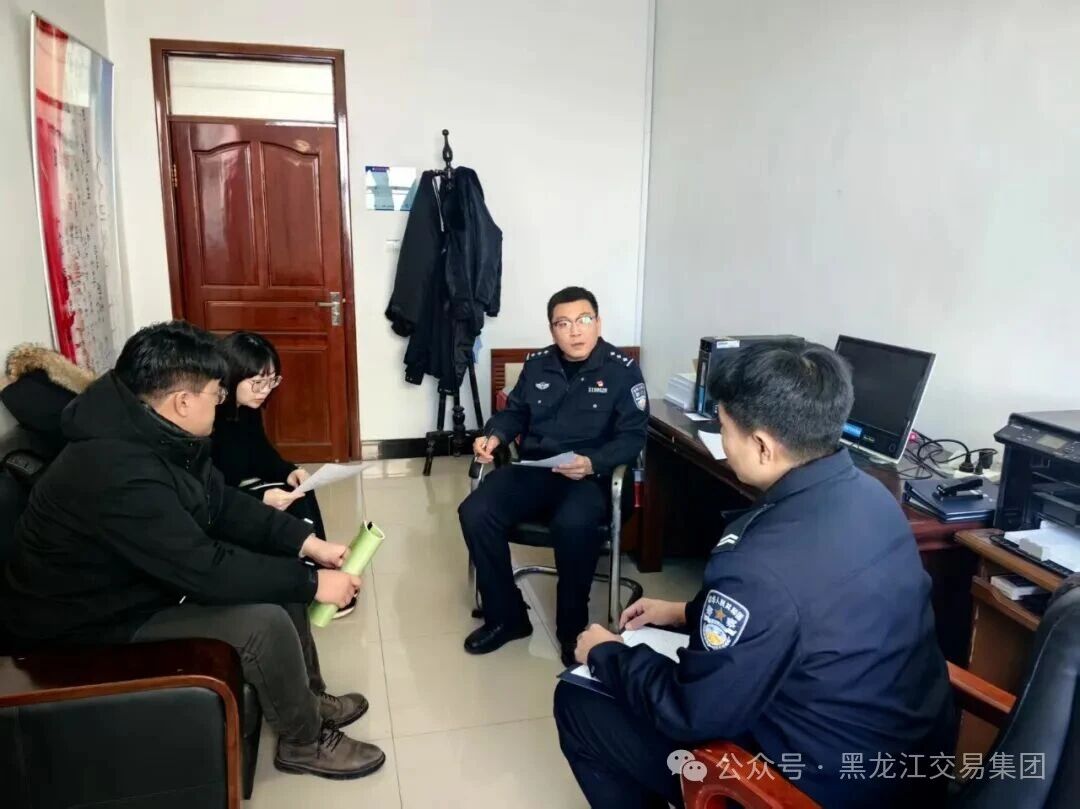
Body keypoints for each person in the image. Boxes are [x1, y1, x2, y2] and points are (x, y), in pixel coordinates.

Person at [554, 342, 956, 809]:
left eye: (723, 429)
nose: (722, 445)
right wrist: (687, 612)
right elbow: (807, 612)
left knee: (578, 703)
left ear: (763, 445)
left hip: (817, 787)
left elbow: (690, 714)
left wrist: (606, 653)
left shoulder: (755, 563)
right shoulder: (873, 496)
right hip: (907, 767)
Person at [0, 321, 384, 780]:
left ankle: (308, 699)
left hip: (133, 584)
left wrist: (307, 544)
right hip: (84, 623)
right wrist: (313, 582)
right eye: (216, 394)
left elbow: (220, 502)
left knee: (284, 581)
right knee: (263, 625)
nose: (221, 403)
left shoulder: (156, 430)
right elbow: (205, 569)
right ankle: (304, 741)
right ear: (183, 401)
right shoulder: (115, 469)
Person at [458, 286, 648, 667]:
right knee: (475, 511)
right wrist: (494, 436)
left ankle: (573, 630)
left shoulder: (622, 370)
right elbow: (515, 413)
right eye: (564, 323)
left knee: (573, 524)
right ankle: (506, 616)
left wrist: (592, 462)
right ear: (552, 329)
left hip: (590, 478)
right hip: (538, 470)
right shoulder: (537, 364)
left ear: (598, 323)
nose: (575, 331)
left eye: (584, 320)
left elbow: (633, 437)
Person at [212, 331, 355, 618]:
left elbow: (262, 453)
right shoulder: (209, 419)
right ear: (231, 376)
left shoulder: (247, 408)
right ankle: (311, 581)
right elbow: (210, 492)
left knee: (301, 491)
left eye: (272, 381)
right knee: (286, 505)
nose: (264, 390)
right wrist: (260, 497)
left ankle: (320, 567)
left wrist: (289, 472)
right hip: (224, 501)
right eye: (257, 382)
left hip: (238, 489)